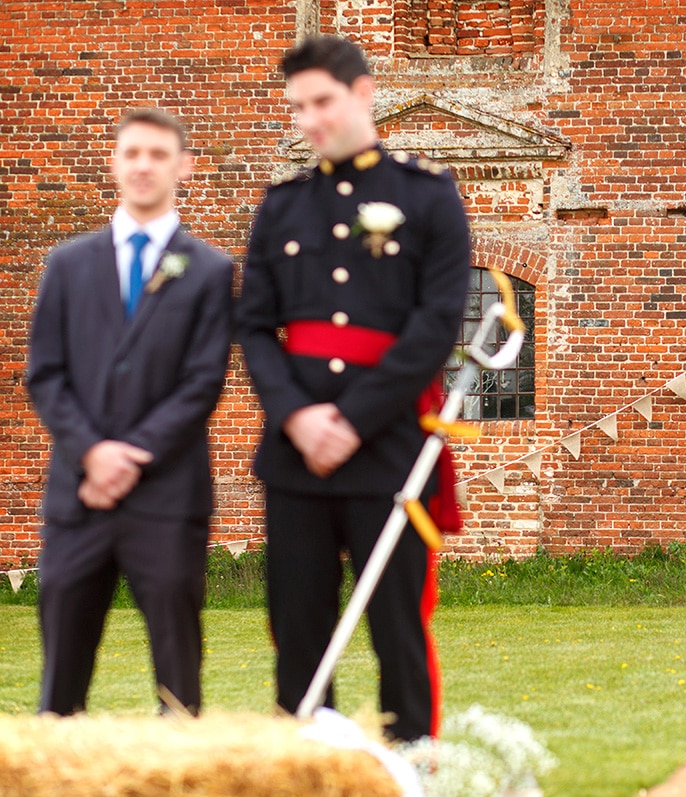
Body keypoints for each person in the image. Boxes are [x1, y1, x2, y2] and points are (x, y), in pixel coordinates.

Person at [236, 35, 470, 741]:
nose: (309, 120)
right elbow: (253, 327)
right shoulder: (283, 206)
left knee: (397, 623)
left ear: (362, 95)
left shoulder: (427, 197)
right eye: (297, 107)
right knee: (298, 630)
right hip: (296, 455)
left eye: (322, 102)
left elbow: (434, 327)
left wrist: (353, 419)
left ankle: (415, 767)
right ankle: (309, 769)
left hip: (389, 447)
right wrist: (300, 417)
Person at [26, 108, 234, 716]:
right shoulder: (67, 265)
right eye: (132, 153)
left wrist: (132, 455)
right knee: (61, 667)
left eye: (159, 154)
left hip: (167, 497)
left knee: (177, 671)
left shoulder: (209, 271)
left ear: (184, 166)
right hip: (78, 494)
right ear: (114, 163)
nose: (144, 165)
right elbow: (46, 373)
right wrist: (93, 452)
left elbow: (203, 382)